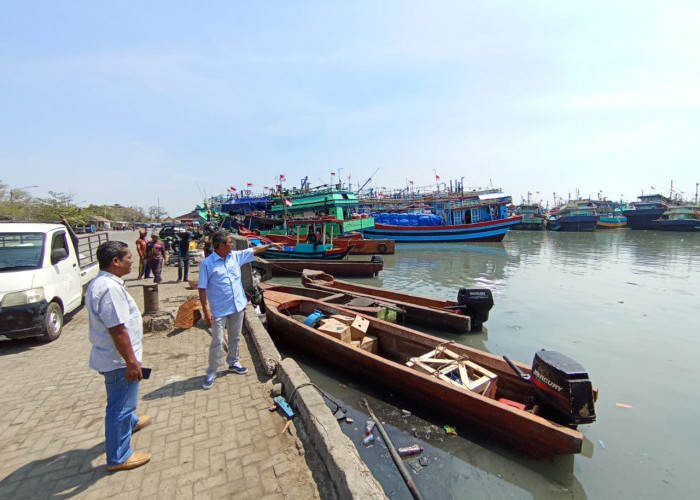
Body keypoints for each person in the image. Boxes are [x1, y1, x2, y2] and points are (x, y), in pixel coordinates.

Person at [86, 241, 151, 472]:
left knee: (123, 400)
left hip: (113, 357)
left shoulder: (103, 283)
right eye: (128, 257)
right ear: (115, 261)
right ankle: (119, 456)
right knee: (120, 406)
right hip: (118, 360)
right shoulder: (109, 289)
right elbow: (118, 329)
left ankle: (131, 422)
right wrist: (131, 362)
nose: (133, 260)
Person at [198, 230, 282, 389]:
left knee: (235, 337)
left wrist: (271, 245)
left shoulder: (235, 256)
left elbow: (254, 250)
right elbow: (202, 288)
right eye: (230, 242)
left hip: (237, 305)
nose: (232, 244)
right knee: (217, 340)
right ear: (221, 245)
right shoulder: (207, 264)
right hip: (219, 309)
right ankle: (212, 371)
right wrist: (206, 310)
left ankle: (233, 362)